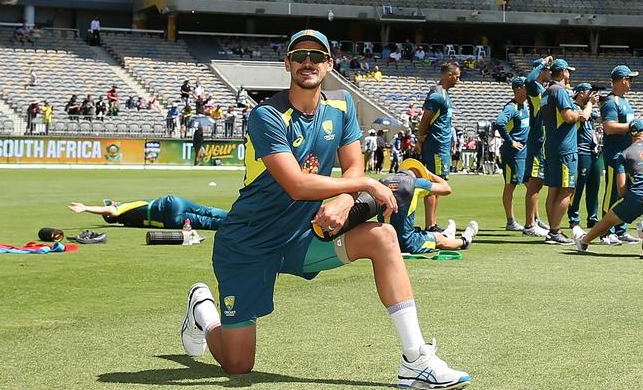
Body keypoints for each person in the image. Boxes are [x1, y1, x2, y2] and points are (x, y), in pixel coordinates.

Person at [179, 29, 470, 387]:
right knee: (238, 365)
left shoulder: (342, 106)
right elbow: (298, 185)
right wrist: (362, 186)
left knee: (383, 238)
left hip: (302, 236)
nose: (308, 62)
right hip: (248, 245)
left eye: (317, 57)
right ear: (287, 64)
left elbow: (353, 166)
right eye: (299, 55)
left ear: (329, 64)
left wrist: (346, 198)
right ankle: (203, 311)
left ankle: (415, 358)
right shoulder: (267, 115)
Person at [574, 119, 643, 260]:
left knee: (607, 221)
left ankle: (583, 241)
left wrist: (631, 203)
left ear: (630, 135)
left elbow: (621, 187)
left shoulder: (625, 154)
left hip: (637, 197)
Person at [539, 61, 594, 244]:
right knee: (567, 189)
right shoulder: (560, 91)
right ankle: (555, 231)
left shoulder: (547, 91)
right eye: (568, 71)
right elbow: (569, 117)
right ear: (563, 72)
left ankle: (552, 230)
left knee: (553, 189)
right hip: (565, 148)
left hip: (552, 146)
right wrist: (585, 110)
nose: (569, 74)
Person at [385, 163, 478, 255]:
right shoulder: (416, 183)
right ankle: (465, 240)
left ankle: (446, 235)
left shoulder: (383, 182)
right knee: (438, 240)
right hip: (406, 243)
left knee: (418, 231)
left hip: (384, 240)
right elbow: (446, 188)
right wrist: (429, 174)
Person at [415, 60, 461, 233]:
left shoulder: (444, 94)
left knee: (438, 183)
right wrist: (420, 139)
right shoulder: (437, 95)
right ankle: (430, 225)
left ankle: (432, 224)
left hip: (441, 145)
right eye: (457, 76)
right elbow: (425, 119)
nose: (458, 80)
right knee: (434, 184)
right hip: (435, 145)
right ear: (449, 75)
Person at [600, 65, 642, 245]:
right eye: (630, 79)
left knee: (626, 193)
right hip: (615, 154)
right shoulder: (611, 102)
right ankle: (604, 232)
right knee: (612, 194)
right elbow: (609, 127)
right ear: (623, 80)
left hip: (626, 155)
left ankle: (620, 229)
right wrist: (633, 126)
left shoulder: (624, 101)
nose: (631, 82)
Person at [520, 56, 555, 238]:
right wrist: (543, 63)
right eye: (547, 70)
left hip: (543, 139)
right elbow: (528, 80)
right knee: (534, 183)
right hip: (537, 139)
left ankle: (534, 220)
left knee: (538, 183)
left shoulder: (543, 89)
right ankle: (529, 225)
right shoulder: (534, 87)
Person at [493, 76, 532, 230]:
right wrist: (511, 141)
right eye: (525, 86)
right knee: (511, 185)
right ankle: (511, 221)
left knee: (530, 185)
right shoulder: (511, 107)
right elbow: (499, 122)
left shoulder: (524, 107)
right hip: (513, 154)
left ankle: (534, 219)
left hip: (524, 152)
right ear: (518, 89)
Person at [69, 195, 228, 230]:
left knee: (205, 222)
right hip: (168, 205)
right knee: (206, 211)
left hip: (168, 221)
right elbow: (112, 211)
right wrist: (86, 208)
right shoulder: (124, 207)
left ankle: (237, 224)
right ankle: (237, 216)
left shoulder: (128, 222)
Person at [569, 85, 603, 231]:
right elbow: (584, 117)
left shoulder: (588, 108)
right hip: (581, 150)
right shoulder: (573, 107)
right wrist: (590, 103)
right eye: (590, 92)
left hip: (593, 151)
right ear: (581, 93)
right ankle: (574, 218)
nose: (592, 95)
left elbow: (600, 119)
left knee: (594, 187)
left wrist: (603, 104)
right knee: (578, 187)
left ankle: (593, 218)